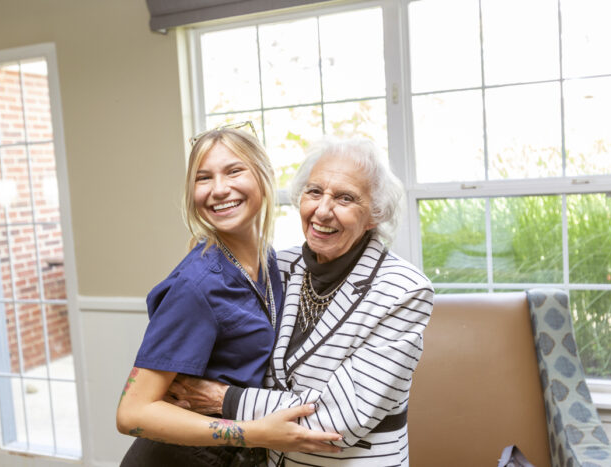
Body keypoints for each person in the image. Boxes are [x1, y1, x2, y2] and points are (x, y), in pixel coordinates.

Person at [168, 137, 434, 466]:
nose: (322, 210)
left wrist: (224, 399)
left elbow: (340, 420)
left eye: (345, 198)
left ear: (374, 215)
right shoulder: (275, 266)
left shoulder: (402, 290)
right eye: (314, 192)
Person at [116, 124, 342, 467]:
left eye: (234, 171)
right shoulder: (197, 285)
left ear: (264, 176)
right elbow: (132, 413)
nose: (219, 189)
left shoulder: (269, 262)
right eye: (203, 178)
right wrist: (253, 432)